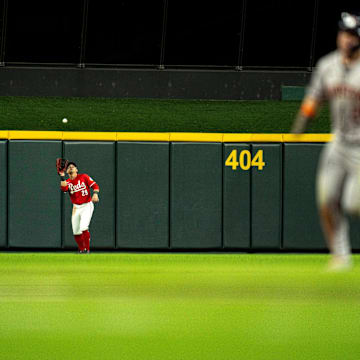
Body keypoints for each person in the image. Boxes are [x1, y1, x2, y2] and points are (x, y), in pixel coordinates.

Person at [291, 12, 360, 271]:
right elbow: (313, 100)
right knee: (326, 200)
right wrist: (300, 126)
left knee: (354, 204)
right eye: (344, 33)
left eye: (352, 34)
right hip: (339, 142)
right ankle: (340, 256)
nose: (346, 39)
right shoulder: (327, 65)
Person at [58, 162, 100, 253]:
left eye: (73, 167)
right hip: (76, 207)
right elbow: (64, 189)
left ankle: (87, 250)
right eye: (69, 167)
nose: (71, 168)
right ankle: (81, 250)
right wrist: (62, 176)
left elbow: (95, 186)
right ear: (67, 171)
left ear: (77, 170)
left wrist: (95, 194)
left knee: (84, 227)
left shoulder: (84, 177)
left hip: (87, 205)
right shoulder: (67, 182)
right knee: (76, 231)